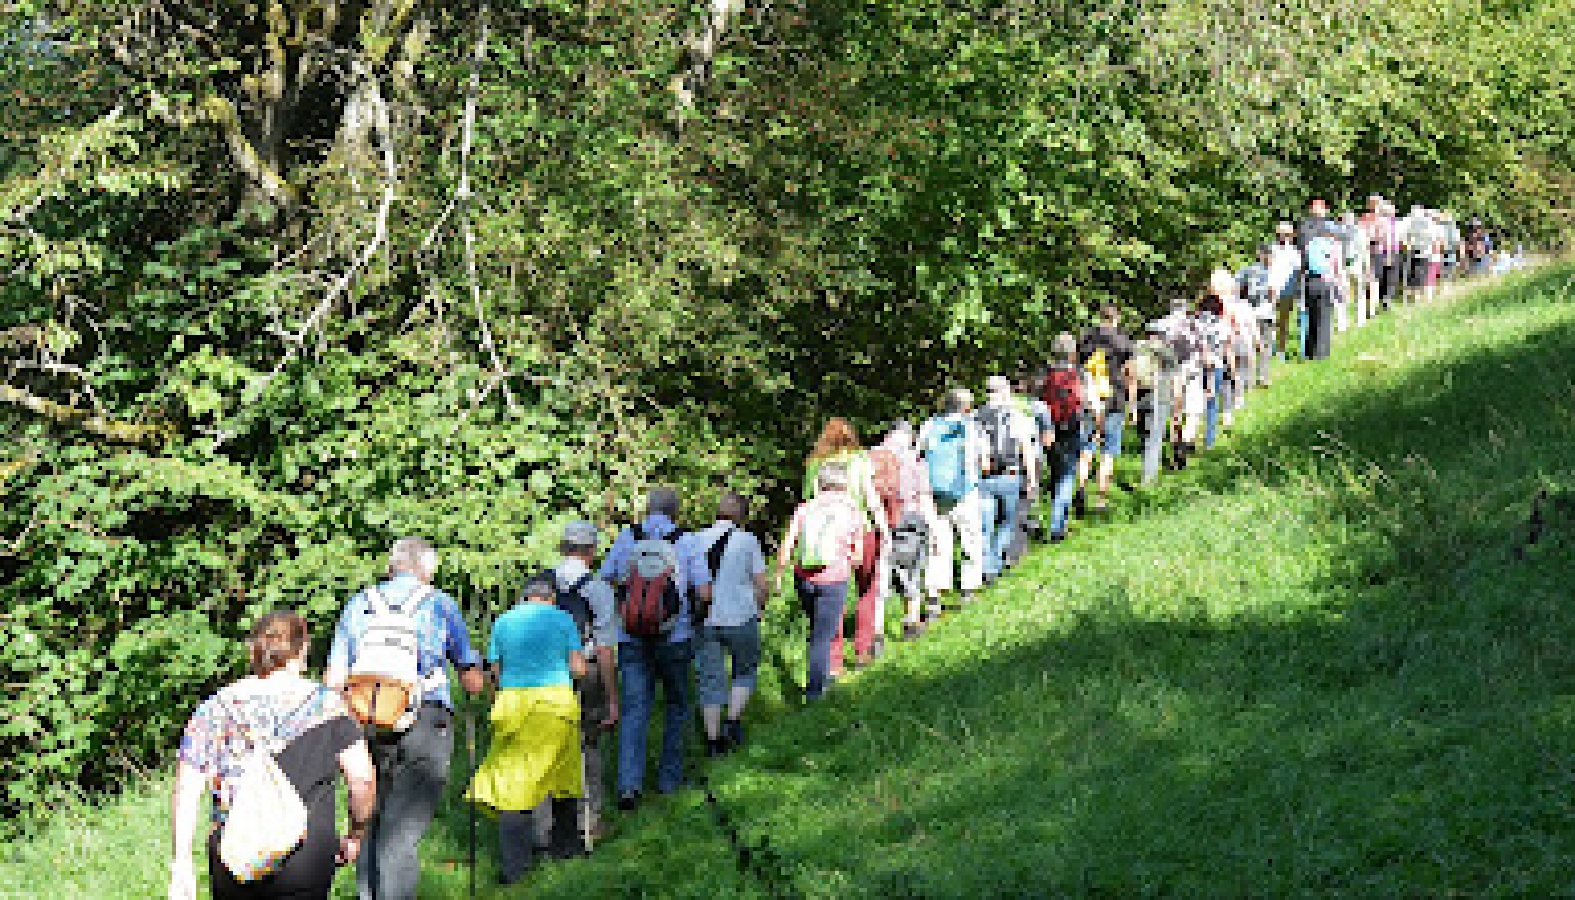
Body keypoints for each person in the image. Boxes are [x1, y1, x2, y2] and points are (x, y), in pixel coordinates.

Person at [171, 611, 377, 900]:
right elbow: (362, 779)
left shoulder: (217, 707)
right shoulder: (326, 706)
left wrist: (181, 861)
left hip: (235, 855)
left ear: (254, 650)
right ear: (302, 650)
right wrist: (356, 834)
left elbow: (187, 787)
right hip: (305, 858)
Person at [325, 537, 484, 900]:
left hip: (367, 722)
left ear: (391, 565)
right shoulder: (439, 604)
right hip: (426, 723)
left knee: (371, 825)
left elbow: (333, 680)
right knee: (401, 836)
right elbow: (471, 681)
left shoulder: (359, 604)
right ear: (427, 569)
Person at [466, 572, 588, 885]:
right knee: (563, 781)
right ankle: (565, 852)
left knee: (513, 788)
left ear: (524, 596)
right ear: (552, 598)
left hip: (515, 708)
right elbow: (577, 668)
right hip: (555, 708)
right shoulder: (563, 619)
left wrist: (497, 700)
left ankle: (515, 869)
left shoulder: (504, 622)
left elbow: (494, 670)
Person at [600, 487, 710, 810]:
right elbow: (704, 592)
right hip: (675, 638)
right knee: (677, 706)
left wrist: (630, 599)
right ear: (675, 512)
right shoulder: (686, 541)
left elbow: (607, 577)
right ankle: (669, 781)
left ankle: (628, 786)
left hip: (632, 638)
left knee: (635, 710)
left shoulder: (627, 537)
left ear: (648, 509)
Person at [540, 520, 619, 853]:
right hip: (583, 672)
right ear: (590, 551)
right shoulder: (597, 587)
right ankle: (589, 822)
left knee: (545, 748)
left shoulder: (541, 583)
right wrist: (612, 697)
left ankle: (544, 828)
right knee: (587, 745)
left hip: (543, 676)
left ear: (562, 547)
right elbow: (604, 648)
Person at [802, 417, 889, 669]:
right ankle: (862, 650)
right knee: (867, 589)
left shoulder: (814, 464)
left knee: (833, 596)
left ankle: (834, 660)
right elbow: (871, 497)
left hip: (827, 537)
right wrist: (883, 528)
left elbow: (809, 500)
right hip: (861, 531)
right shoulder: (859, 459)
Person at [777, 463, 864, 700]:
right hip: (833, 579)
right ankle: (816, 692)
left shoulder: (806, 508)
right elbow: (857, 556)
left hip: (803, 577)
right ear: (844, 484)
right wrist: (847, 567)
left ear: (821, 483)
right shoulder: (851, 510)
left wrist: (777, 576)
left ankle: (822, 675)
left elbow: (788, 545)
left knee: (816, 630)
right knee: (822, 636)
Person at [693, 492, 769, 755]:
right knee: (745, 669)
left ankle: (713, 743)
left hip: (705, 620)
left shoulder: (695, 539)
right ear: (742, 516)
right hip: (741, 617)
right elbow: (762, 585)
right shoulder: (748, 541)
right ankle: (733, 721)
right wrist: (759, 609)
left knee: (710, 679)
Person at [871, 422, 943, 637]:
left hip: (879, 519)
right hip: (911, 518)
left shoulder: (873, 455)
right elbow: (924, 495)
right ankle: (911, 622)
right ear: (909, 436)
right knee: (911, 570)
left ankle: (876, 632)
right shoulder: (915, 459)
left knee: (880, 574)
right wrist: (933, 529)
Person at [918, 388, 987, 604]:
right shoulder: (971, 426)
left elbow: (918, 455)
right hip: (965, 491)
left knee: (938, 542)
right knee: (970, 538)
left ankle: (934, 594)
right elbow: (984, 462)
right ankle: (968, 589)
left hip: (935, 493)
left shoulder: (930, 425)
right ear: (965, 406)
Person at [975, 375, 1037, 582]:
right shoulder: (1016, 416)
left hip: (984, 479)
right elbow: (1026, 449)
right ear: (1005, 391)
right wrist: (1031, 479)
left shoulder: (976, 417)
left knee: (985, 527)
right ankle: (994, 563)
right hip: (1011, 476)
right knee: (1007, 523)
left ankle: (986, 567)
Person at [1076, 304, 1136, 511]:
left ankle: (1081, 488)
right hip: (1114, 400)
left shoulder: (1086, 339)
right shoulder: (1123, 342)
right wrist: (1132, 403)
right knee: (1108, 451)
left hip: (1088, 400)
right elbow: (1129, 373)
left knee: (1086, 449)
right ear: (1116, 319)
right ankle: (1101, 499)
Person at [1042, 333, 1086, 540]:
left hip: (1050, 430)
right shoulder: (1077, 375)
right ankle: (1058, 527)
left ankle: (1055, 520)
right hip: (1071, 428)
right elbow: (1087, 402)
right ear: (1072, 353)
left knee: (1056, 474)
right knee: (1067, 476)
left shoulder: (1045, 374)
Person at [1298, 199, 1338, 361]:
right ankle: (1321, 353)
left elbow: (1301, 252)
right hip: (1324, 276)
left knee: (1312, 314)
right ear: (1324, 210)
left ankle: (1309, 351)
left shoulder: (1304, 227)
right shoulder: (1329, 227)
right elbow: (1335, 253)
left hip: (1308, 277)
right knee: (1324, 315)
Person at [1238, 242, 1278, 385]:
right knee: (1265, 346)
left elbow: (1236, 288)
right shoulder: (1272, 272)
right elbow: (1273, 293)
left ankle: (1246, 378)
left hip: (1249, 313)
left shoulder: (1247, 270)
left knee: (1249, 345)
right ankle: (1263, 377)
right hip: (1265, 313)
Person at [1268, 221, 1302, 360]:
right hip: (1271, 290)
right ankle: (1269, 348)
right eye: (1281, 234)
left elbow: (1298, 273)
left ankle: (1281, 350)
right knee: (1269, 321)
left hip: (1287, 291)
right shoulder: (1271, 249)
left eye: (1287, 234)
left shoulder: (1295, 252)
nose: (1284, 237)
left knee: (1283, 322)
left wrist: (1297, 292)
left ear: (1291, 235)